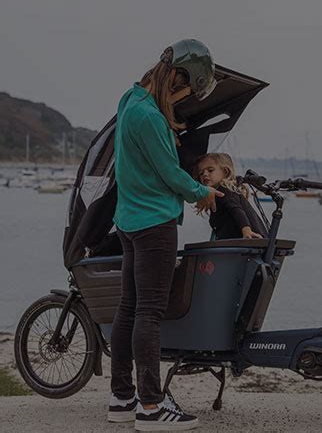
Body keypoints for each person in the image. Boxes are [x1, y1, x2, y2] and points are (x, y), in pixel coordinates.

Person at [108, 39, 224, 432]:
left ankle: (122, 398)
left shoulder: (130, 101)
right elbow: (170, 175)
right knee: (149, 314)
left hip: (127, 220)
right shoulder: (150, 118)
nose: (186, 96)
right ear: (180, 77)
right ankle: (152, 408)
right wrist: (203, 192)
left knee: (128, 309)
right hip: (153, 224)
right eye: (190, 88)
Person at [194, 153, 268, 240]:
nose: (205, 174)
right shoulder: (217, 193)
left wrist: (247, 231)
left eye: (210, 170)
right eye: (201, 173)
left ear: (225, 172)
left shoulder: (224, 190)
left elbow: (237, 210)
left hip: (249, 238)